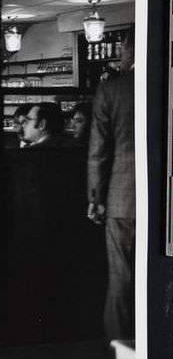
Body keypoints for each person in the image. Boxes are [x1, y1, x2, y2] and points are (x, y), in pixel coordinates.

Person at [87, 27, 135, 344]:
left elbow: (99, 151)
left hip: (123, 198)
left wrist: (95, 197)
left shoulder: (112, 90)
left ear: (131, 49)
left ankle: (120, 348)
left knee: (121, 280)